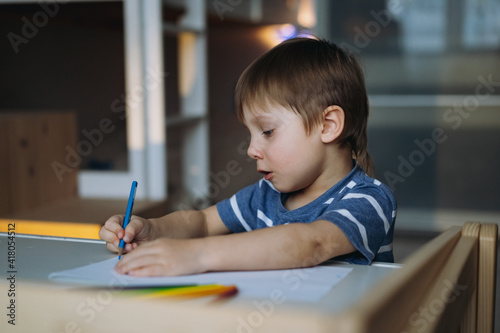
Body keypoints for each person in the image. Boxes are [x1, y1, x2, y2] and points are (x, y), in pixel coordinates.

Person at [99, 37, 397, 277]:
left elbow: (311, 244)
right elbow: (202, 222)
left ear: (328, 125)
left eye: (267, 131)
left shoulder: (368, 200)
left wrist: (199, 254)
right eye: (250, 134)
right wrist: (152, 229)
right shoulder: (264, 196)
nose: (251, 149)